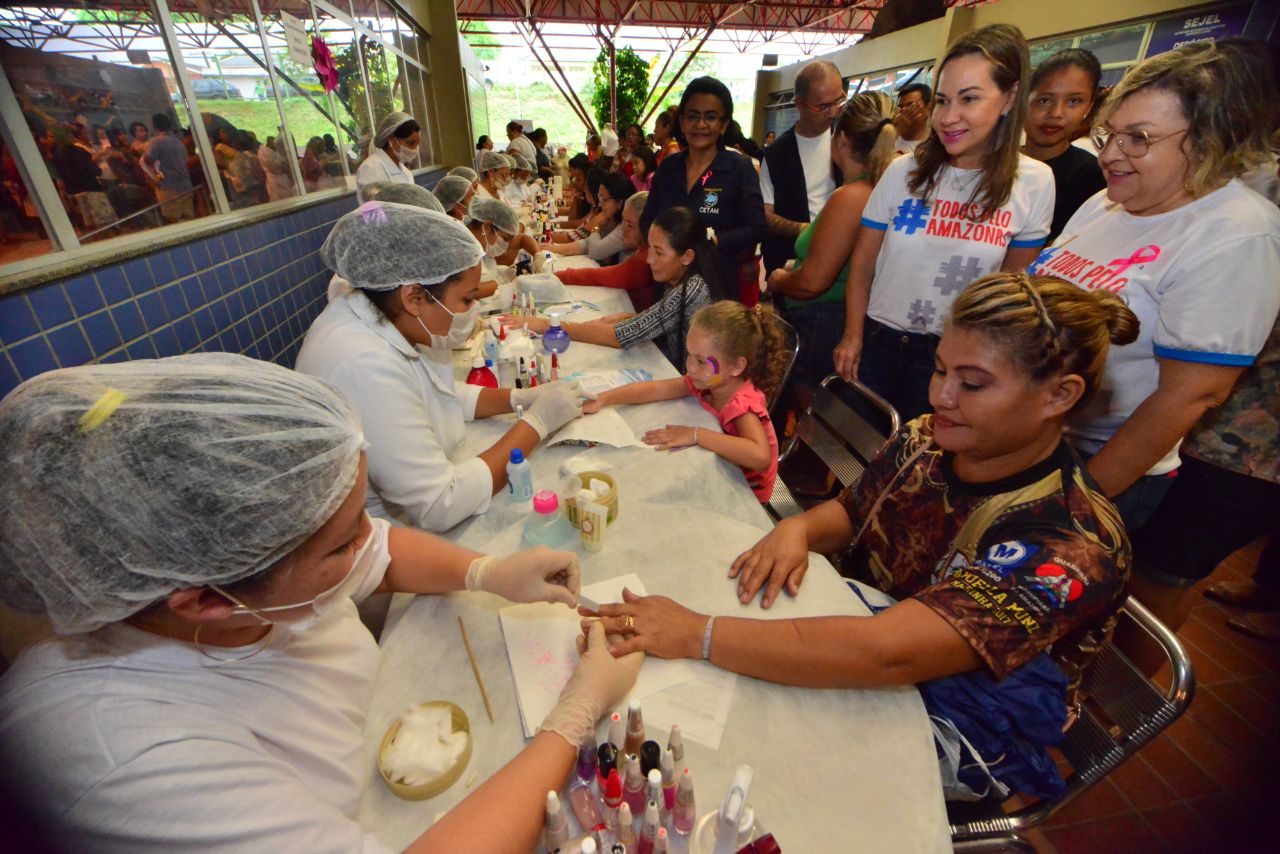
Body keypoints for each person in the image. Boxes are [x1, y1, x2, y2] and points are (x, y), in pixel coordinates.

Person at [0, 353, 640, 852]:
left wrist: (488, 571)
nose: (369, 538)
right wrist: (576, 716)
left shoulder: (246, 572)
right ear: (204, 602)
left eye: (360, 515)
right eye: (341, 544)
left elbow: (378, 553)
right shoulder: (114, 759)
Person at [590, 272, 1138, 799]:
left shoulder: (1069, 548)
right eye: (940, 370)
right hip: (867, 632)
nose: (942, 397)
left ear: (1059, 396)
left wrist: (697, 634)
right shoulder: (929, 438)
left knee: (733, 752)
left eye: (972, 384)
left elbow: (888, 655)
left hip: (957, 722)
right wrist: (800, 527)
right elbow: (854, 510)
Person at [1027, 40, 1280, 528]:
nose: (1111, 154)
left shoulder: (1238, 233)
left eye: (1138, 137)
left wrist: (1081, 501)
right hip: (1037, 440)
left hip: (1098, 466)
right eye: (1110, 135)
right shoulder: (1106, 202)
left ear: (1208, 141)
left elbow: (1189, 396)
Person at [297, 203, 588, 533]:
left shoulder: (387, 316)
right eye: (466, 300)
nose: (473, 310)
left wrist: (520, 398)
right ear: (414, 297)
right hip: (386, 536)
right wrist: (537, 423)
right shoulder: (362, 362)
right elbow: (440, 503)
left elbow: (438, 390)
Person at [834, 24, 1054, 422]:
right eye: (942, 100)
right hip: (878, 340)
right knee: (860, 457)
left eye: (969, 99)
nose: (949, 117)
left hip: (955, 357)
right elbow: (863, 264)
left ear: (1010, 97)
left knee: (926, 468)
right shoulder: (904, 171)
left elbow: (1011, 293)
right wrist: (853, 335)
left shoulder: (1035, 182)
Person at [768, 91, 897, 406]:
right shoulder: (881, 189)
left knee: (813, 425)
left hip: (821, 323)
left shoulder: (852, 196)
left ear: (840, 140)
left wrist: (779, 280)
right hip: (834, 320)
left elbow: (814, 282)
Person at [585, 300, 785, 501]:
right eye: (689, 356)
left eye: (700, 361)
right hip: (722, 469)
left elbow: (760, 457)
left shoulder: (741, 404)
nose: (690, 367)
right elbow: (656, 389)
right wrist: (605, 398)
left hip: (746, 492)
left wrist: (696, 435)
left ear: (736, 367)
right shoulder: (707, 381)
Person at [506, 206, 724, 367]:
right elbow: (656, 319)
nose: (649, 260)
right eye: (650, 250)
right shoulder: (684, 280)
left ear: (686, 256)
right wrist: (631, 317)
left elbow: (622, 335)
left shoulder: (692, 291)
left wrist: (548, 326)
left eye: (659, 252)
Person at [642, 77, 766, 305]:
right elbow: (647, 221)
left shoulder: (739, 168)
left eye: (710, 117)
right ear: (681, 121)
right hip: (667, 289)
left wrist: (714, 242)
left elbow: (756, 227)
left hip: (718, 289)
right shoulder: (669, 168)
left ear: (724, 124)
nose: (700, 125)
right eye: (693, 116)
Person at [760, 60, 845, 277]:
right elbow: (765, 216)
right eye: (823, 106)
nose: (834, 112)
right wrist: (807, 230)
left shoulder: (848, 139)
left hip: (842, 260)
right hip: (793, 264)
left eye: (839, 101)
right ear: (798, 104)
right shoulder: (777, 154)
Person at [1022, 49, 1106, 243]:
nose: (1056, 113)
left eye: (1074, 101)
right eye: (1044, 100)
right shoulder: (995, 161)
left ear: (1089, 107)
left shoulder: (1091, 177)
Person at [553, 192, 659, 311]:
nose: (623, 229)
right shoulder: (643, 250)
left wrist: (556, 276)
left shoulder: (645, 259)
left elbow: (600, 276)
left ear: (647, 226)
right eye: (622, 221)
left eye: (630, 225)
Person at [544, 172, 635, 264]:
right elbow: (587, 244)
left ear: (619, 202)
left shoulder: (626, 226)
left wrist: (596, 228)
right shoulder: (610, 218)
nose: (600, 204)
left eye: (604, 199)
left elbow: (596, 252)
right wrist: (554, 248)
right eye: (600, 197)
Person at [464, 196, 545, 292]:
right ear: (487, 227)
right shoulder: (463, 248)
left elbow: (522, 238)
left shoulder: (482, 243)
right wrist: (499, 281)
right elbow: (466, 292)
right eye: (506, 238)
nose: (507, 244)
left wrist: (538, 254)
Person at [141, 113, 195, 223]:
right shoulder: (179, 143)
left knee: (174, 219)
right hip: (185, 185)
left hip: (168, 186)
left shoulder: (157, 141)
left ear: (154, 125)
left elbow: (148, 159)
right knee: (189, 218)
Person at [355, 112, 419, 200]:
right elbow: (371, 210)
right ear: (391, 140)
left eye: (416, 144)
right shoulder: (370, 169)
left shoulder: (406, 173)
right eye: (410, 143)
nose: (414, 149)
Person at [893, 83, 932, 153]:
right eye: (901, 106)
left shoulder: (936, 145)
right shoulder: (890, 137)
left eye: (910, 105)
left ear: (928, 109)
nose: (903, 109)